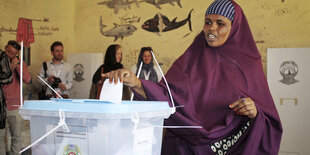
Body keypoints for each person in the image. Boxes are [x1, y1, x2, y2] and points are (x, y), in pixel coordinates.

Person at [103, 0, 283, 154]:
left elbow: (268, 120)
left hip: (230, 147)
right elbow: (168, 92)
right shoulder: (192, 58)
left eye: (220, 23)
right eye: (207, 22)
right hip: (186, 145)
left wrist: (255, 112)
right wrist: (136, 83)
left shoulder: (248, 64)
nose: (212, 28)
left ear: (234, 27)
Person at [0, 40, 32, 155]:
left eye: (13, 53)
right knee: (0, 137)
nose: (10, 55)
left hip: (14, 106)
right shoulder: (1, 63)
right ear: (4, 48)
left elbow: (28, 79)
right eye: (8, 52)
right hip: (1, 106)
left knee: (16, 136)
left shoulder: (20, 63)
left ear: (17, 53)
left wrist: (17, 65)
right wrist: (10, 68)